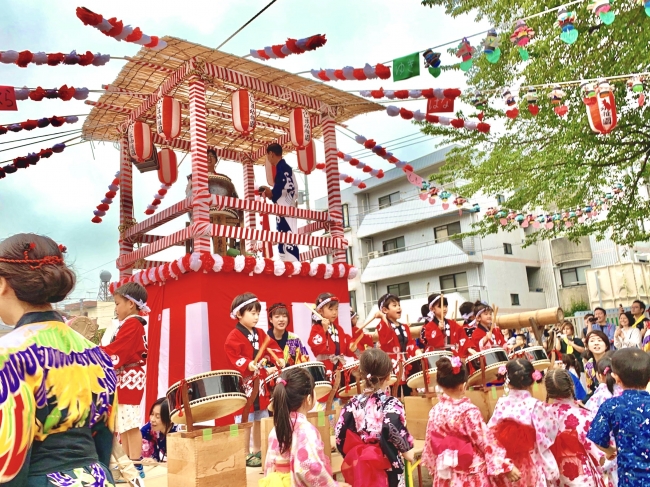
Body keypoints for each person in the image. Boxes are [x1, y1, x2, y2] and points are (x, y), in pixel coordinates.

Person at [0, 233, 117, 485]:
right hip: (96, 478)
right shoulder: (98, 354)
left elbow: (8, 458)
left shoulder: (8, 354)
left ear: (2, 284)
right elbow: (105, 438)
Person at [421, 356, 519, 486]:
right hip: (470, 473)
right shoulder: (468, 411)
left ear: (439, 384)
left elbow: (430, 443)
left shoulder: (435, 411)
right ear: (463, 386)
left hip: (446, 472)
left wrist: (434, 467)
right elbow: (485, 442)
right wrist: (505, 465)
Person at [335, 348, 415, 487]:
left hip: (362, 465)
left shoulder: (352, 403)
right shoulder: (391, 404)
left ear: (362, 374)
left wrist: (351, 453)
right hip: (386, 463)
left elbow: (339, 434)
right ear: (389, 376)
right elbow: (392, 424)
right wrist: (407, 449)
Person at [224, 292, 284, 468]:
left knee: (260, 417)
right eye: (252, 313)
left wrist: (277, 359)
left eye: (258, 313)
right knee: (245, 419)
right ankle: (243, 453)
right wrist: (248, 364)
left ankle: (258, 449)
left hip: (260, 383)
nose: (256, 317)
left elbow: (271, 349)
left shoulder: (260, 333)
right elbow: (233, 357)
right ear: (239, 314)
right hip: (244, 384)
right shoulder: (233, 336)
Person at [262, 367, 350, 487]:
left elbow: (269, 465)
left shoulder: (276, 428)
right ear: (309, 399)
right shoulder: (305, 430)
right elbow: (310, 470)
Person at [101, 281, 149, 474]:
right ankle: (127, 466)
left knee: (130, 424)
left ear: (131, 304)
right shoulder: (131, 324)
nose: (116, 307)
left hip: (130, 376)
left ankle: (135, 465)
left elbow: (119, 350)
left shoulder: (132, 324)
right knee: (125, 424)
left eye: (118, 303)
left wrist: (96, 353)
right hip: (127, 376)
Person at [488, 359, 559, 487]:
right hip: (531, 458)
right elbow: (547, 434)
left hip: (508, 462)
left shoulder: (501, 403)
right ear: (532, 380)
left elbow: (491, 431)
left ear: (507, 382)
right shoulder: (535, 405)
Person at [588, 348, 650, 486]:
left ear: (616, 378)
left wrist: (612, 451)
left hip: (630, 478)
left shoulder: (611, 405)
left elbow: (597, 437)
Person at [544, 369, 607, 487]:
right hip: (581, 475)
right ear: (572, 386)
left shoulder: (542, 415)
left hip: (554, 473)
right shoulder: (584, 415)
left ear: (548, 390)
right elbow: (597, 452)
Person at [374, 293, 421, 395]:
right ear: (385, 310)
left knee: (410, 390)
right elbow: (386, 340)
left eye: (399, 305)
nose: (399, 307)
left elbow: (411, 343)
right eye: (394, 305)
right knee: (395, 392)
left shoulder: (404, 326)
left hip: (406, 362)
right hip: (391, 364)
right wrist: (383, 317)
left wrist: (417, 350)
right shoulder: (381, 326)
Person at [260, 143, 299, 262]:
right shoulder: (287, 168)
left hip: (284, 208)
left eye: (267, 155)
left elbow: (277, 191)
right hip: (290, 205)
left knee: (285, 234)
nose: (268, 158)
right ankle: (292, 262)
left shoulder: (281, 168)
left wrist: (269, 192)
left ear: (271, 154)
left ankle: (289, 264)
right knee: (290, 234)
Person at [308, 293, 354, 374]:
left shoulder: (339, 329)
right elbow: (314, 346)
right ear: (320, 311)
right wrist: (324, 330)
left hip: (339, 367)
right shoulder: (317, 328)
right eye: (331, 309)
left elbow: (345, 347)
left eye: (336, 309)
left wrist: (351, 347)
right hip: (325, 368)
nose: (334, 313)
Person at [140, 398, 181, 463]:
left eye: (157, 417)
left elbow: (180, 462)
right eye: (152, 414)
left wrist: (158, 464)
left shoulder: (179, 432)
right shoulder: (149, 428)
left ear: (170, 419)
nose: (152, 419)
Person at [583, 330, 612, 400]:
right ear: (587, 346)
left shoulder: (613, 361)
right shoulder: (588, 365)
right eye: (592, 341)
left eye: (599, 340)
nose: (596, 343)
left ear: (606, 345)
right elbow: (591, 388)